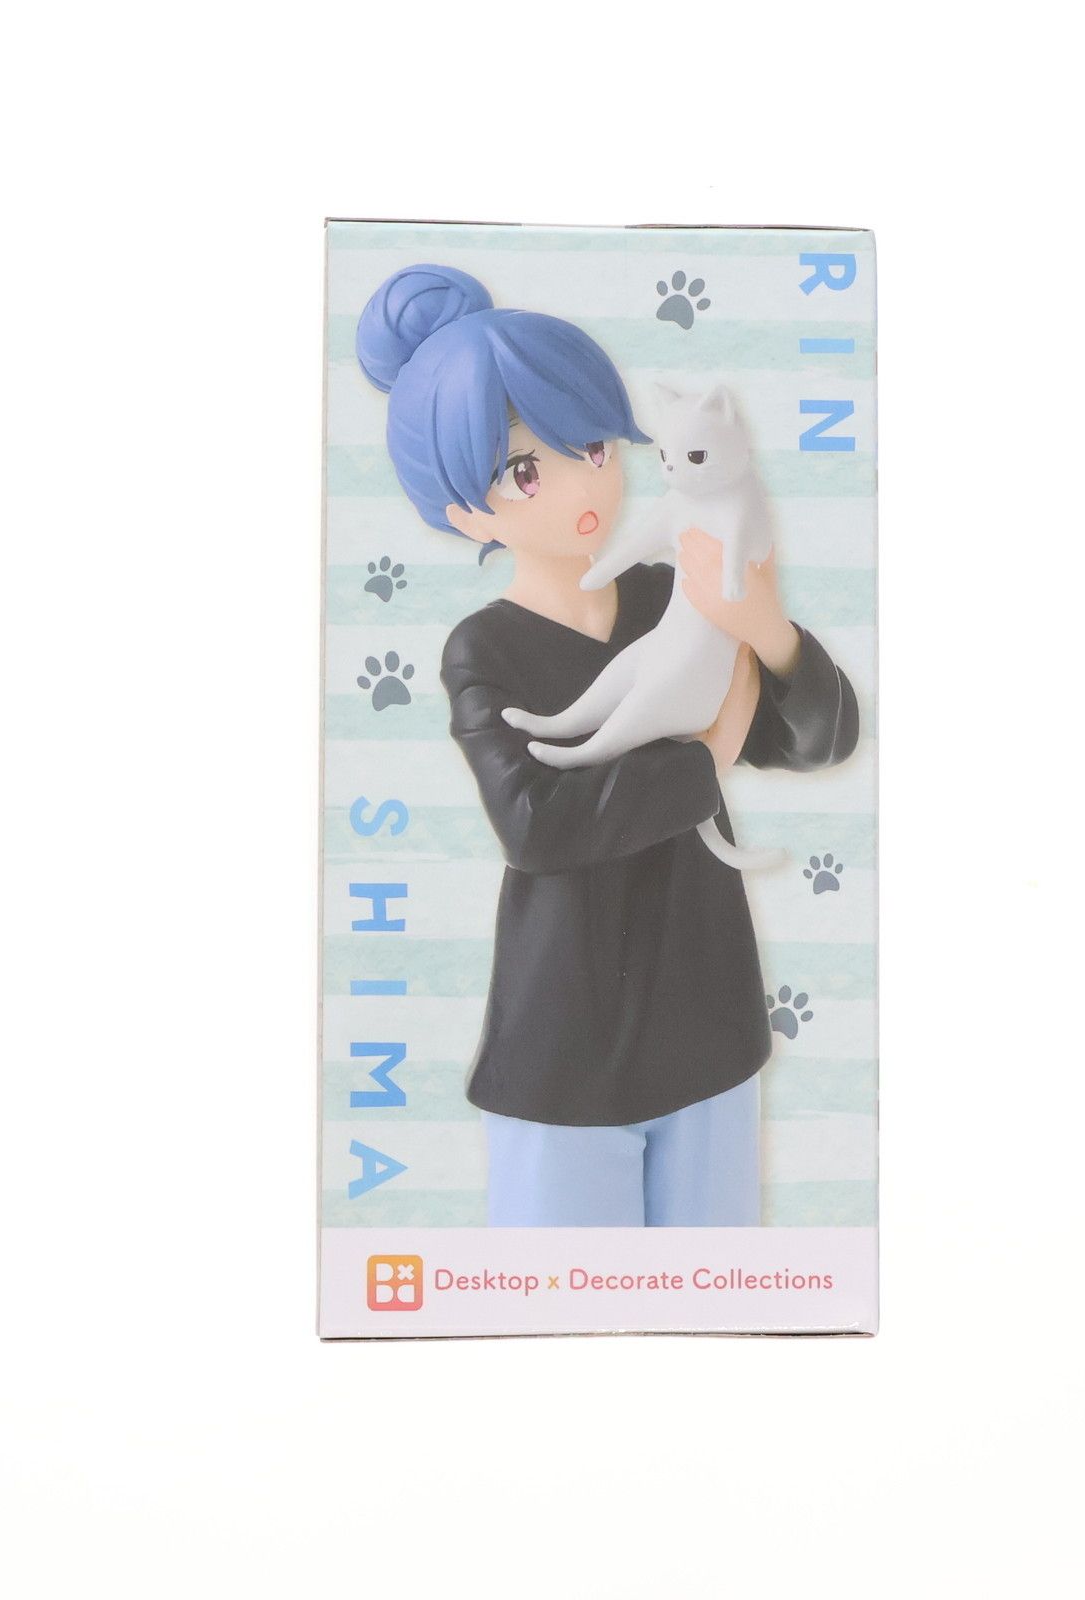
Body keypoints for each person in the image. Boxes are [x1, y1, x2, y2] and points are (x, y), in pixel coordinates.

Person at [356, 264, 858, 1226]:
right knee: (559, 1298)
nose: (585, 482)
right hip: (565, 1051)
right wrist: (706, 758)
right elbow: (538, 825)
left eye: (591, 445)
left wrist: (767, 628)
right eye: (524, 470)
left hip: (709, 1024)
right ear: (462, 510)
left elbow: (815, 742)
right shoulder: (485, 650)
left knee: (711, 1293)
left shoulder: (672, 593)